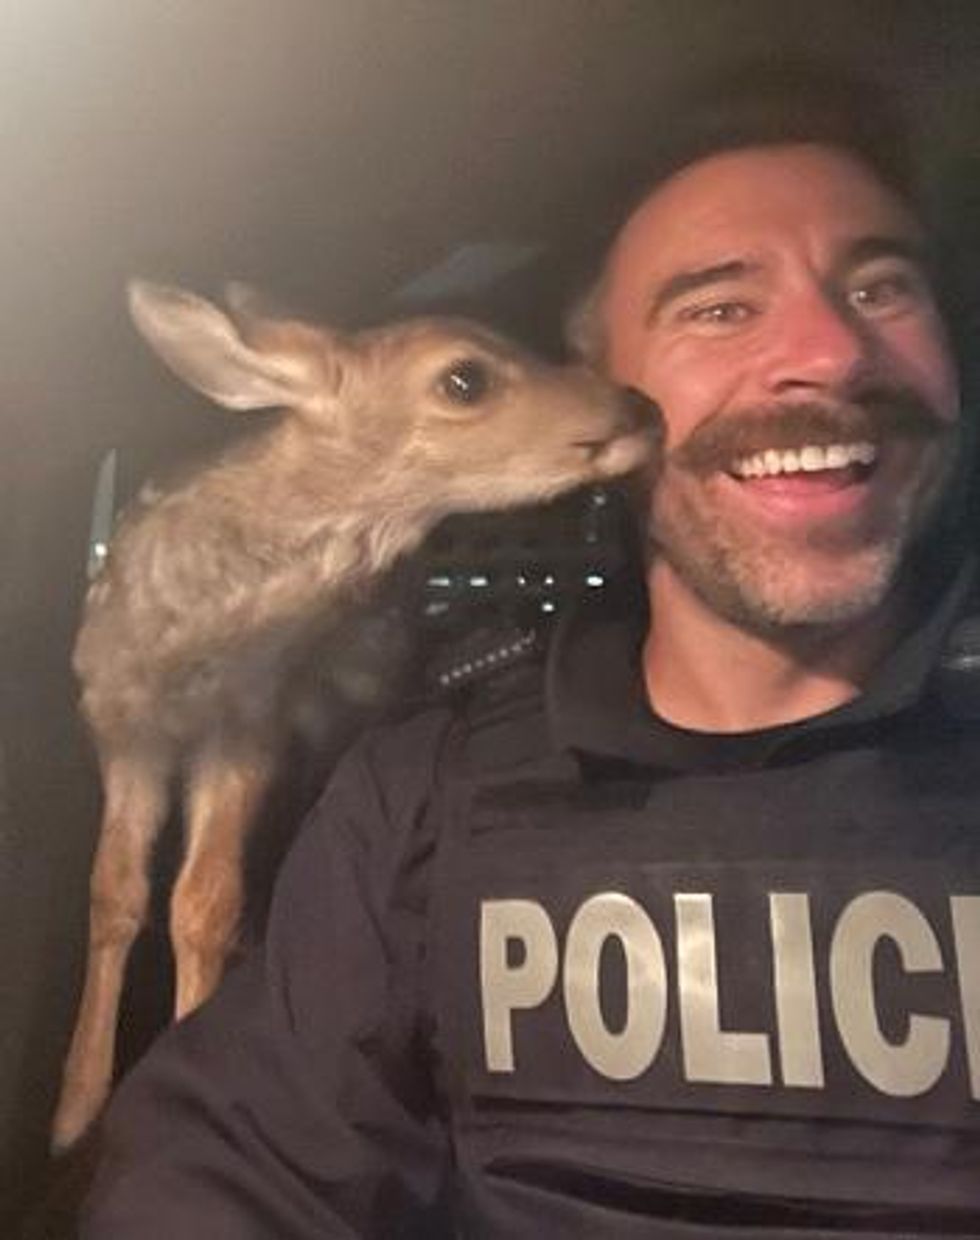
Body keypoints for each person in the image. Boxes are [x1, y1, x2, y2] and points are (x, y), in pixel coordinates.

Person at [80, 61, 979, 1236]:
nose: (828, 352)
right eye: (717, 306)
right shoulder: (424, 797)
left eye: (881, 288)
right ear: (600, 397)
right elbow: (238, 1164)